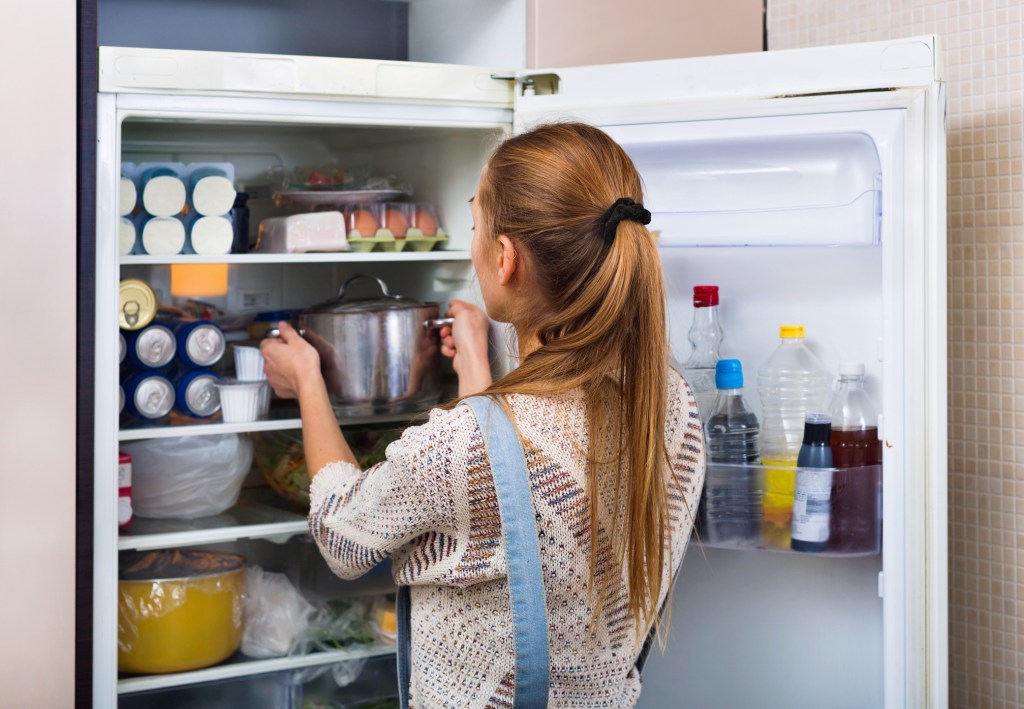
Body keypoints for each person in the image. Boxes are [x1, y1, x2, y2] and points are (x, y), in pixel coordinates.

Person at [261, 121, 706, 707]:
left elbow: (342, 537)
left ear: (504, 259)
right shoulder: (670, 404)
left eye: (476, 227)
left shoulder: (458, 445)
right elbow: (511, 496)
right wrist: (475, 359)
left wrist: (309, 381)